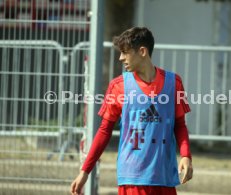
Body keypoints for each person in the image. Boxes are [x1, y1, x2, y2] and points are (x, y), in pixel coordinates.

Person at [71, 27, 193, 195]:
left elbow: (179, 125)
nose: (121, 58)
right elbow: (104, 130)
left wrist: (186, 155)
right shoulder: (118, 86)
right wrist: (85, 171)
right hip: (132, 178)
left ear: (142, 51)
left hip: (164, 176)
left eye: (125, 52)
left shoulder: (174, 83)